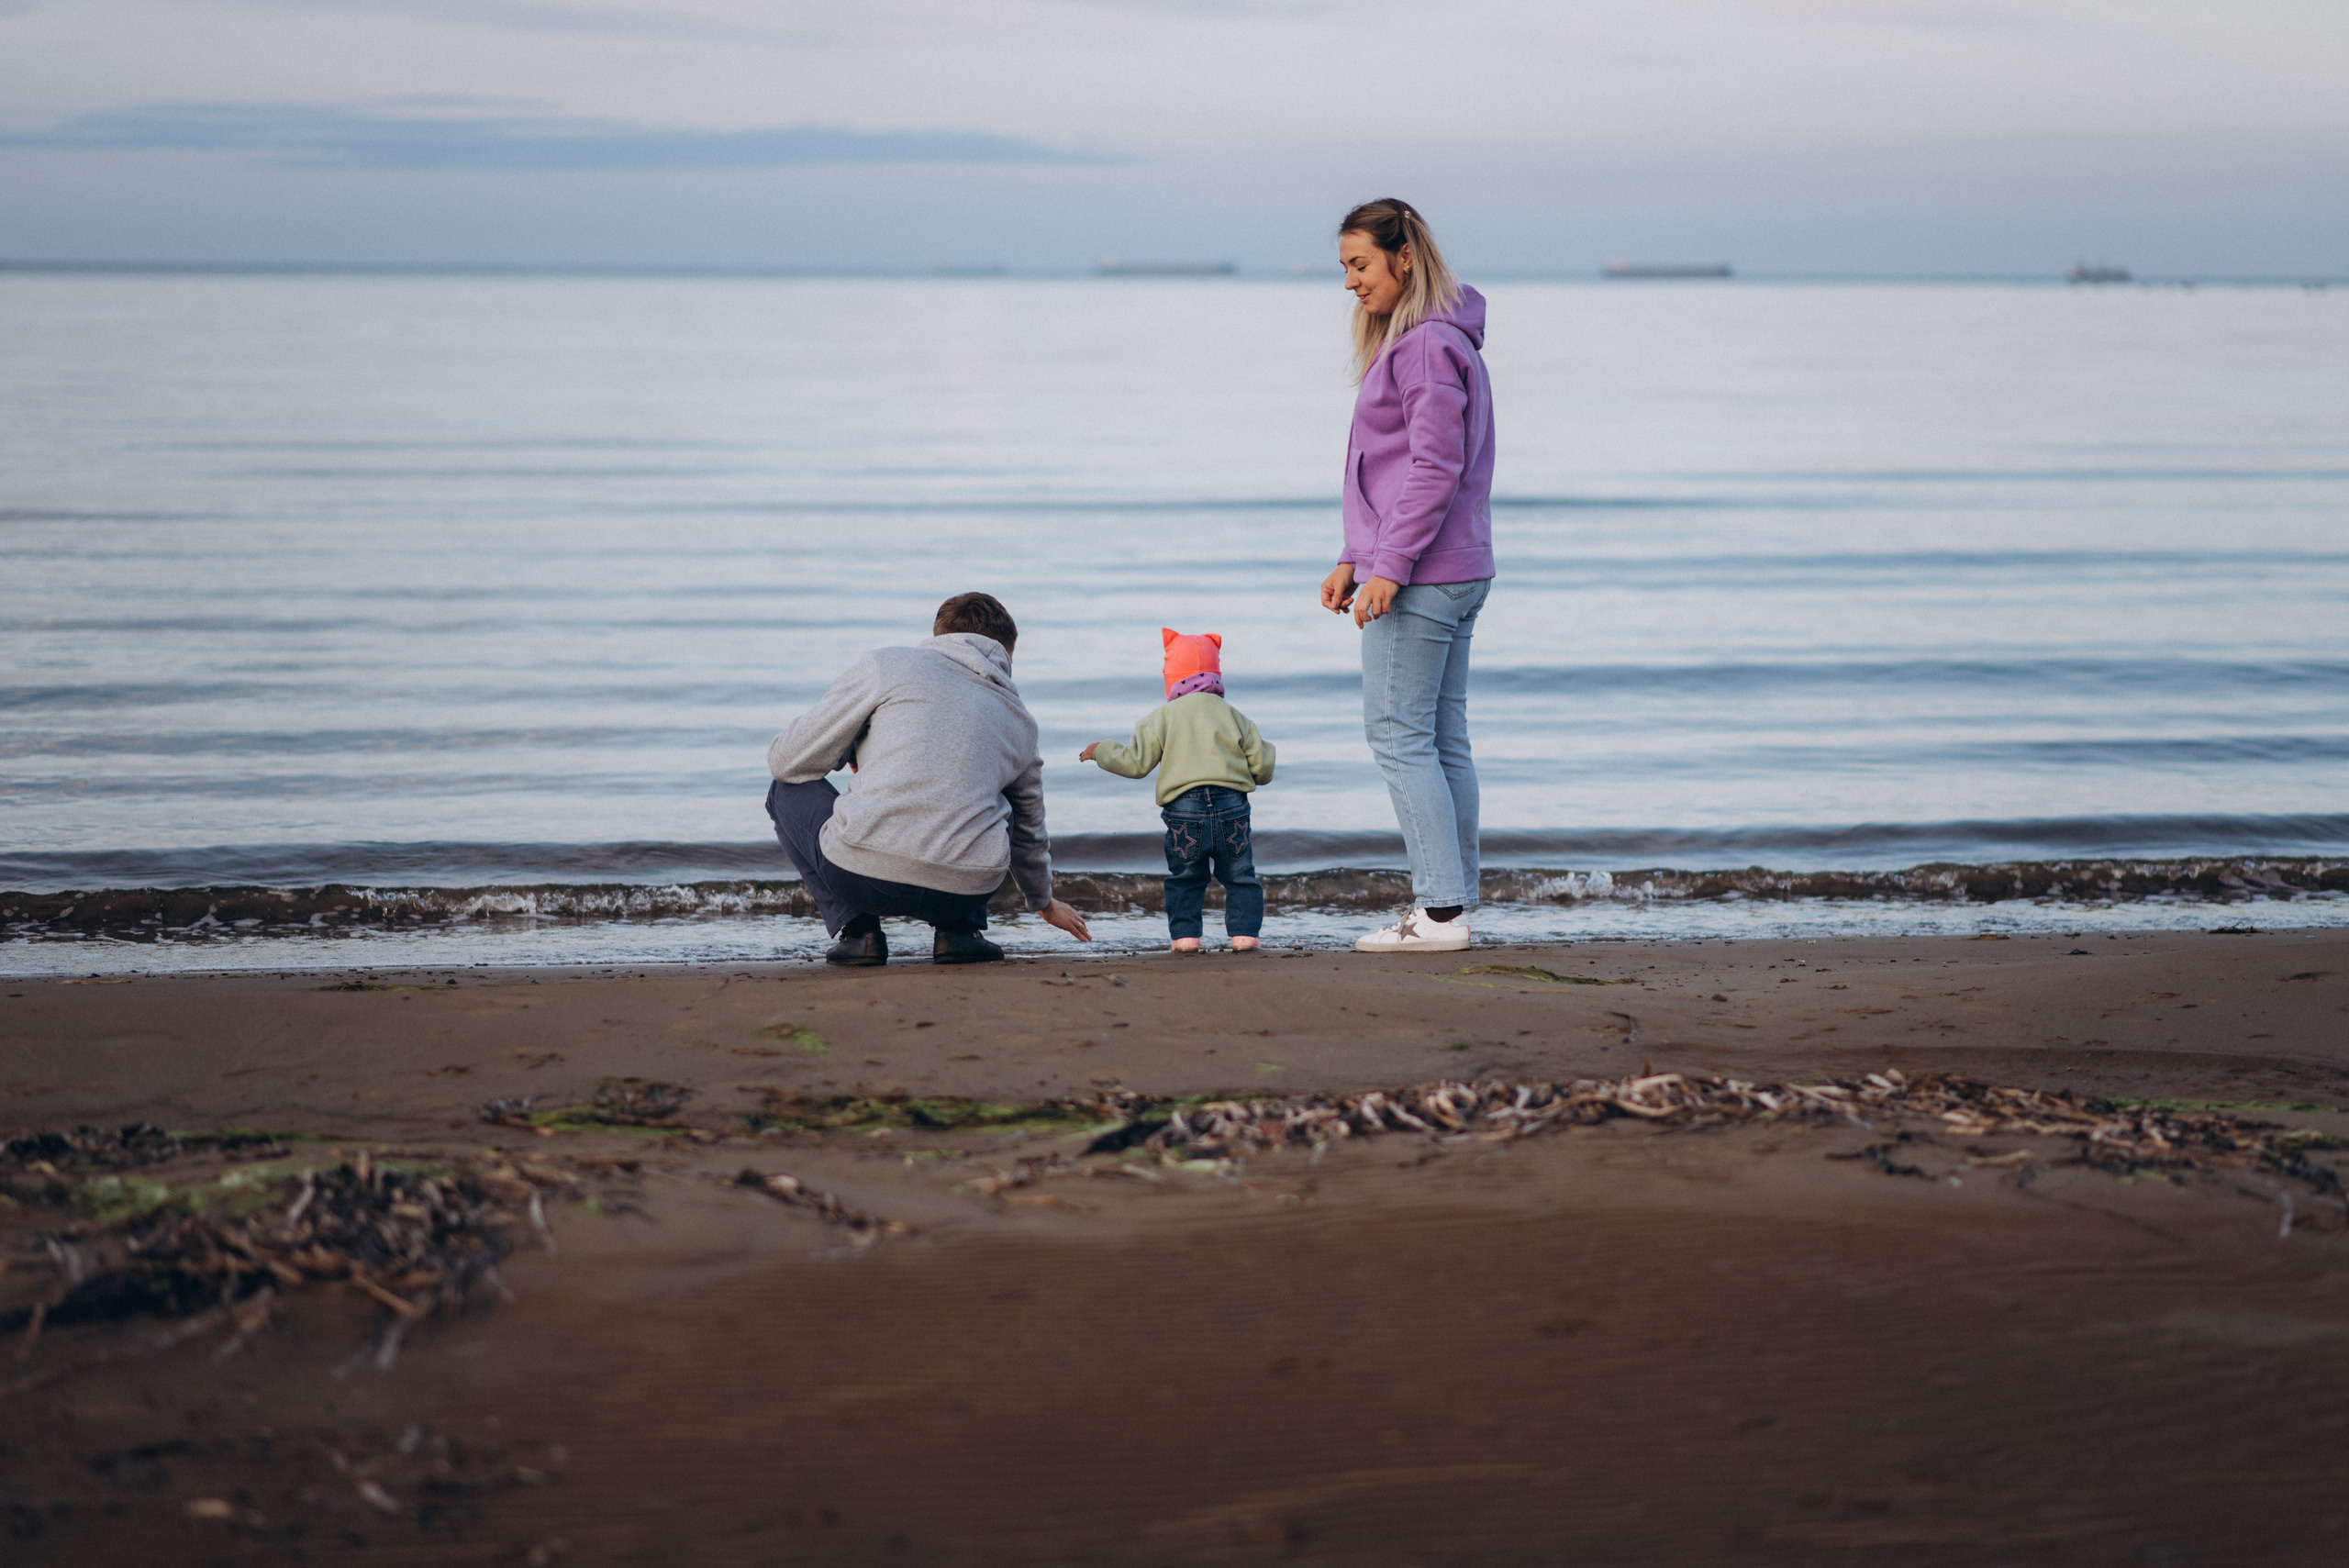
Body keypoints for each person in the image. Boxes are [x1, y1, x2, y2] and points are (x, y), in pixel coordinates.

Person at [1319, 198, 1496, 954]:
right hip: (1453, 565)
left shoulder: (1424, 347)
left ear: (1404, 258)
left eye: (1360, 265)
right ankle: (1453, 903)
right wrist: (1354, 557)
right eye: (1345, 269)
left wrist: (1388, 566)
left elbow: (1434, 467)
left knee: (1396, 734)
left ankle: (1441, 915)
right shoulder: (1437, 342)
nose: (1352, 283)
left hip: (1424, 573)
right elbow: (1394, 470)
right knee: (1439, 736)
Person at [764, 592, 1092, 966]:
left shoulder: (889, 666)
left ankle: (858, 934)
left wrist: (850, 747)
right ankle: (959, 934)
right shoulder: (1019, 718)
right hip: (964, 890)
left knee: (785, 789)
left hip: (859, 876)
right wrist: (1042, 902)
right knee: (1002, 798)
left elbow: (786, 762)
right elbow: (1029, 829)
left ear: (939, 637)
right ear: (1005, 653)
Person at [1080, 628, 1277, 954]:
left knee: (1186, 876)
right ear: (1216, 675)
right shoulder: (1235, 716)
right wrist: (1262, 759)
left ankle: (1185, 939)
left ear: (1171, 678)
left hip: (1185, 811)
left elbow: (1135, 763)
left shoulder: (1162, 717)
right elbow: (1263, 768)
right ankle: (1244, 936)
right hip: (1231, 806)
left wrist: (1102, 750)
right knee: (1240, 874)